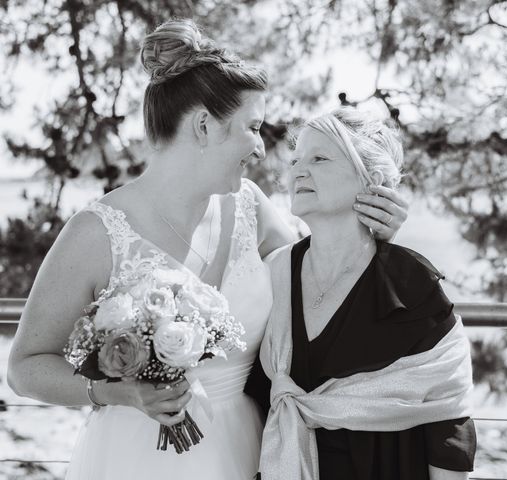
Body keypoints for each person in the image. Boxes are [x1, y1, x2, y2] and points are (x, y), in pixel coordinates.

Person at [7, 19, 408, 479]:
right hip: (134, 459)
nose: (260, 148)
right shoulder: (96, 232)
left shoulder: (250, 207)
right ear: (203, 125)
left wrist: (375, 231)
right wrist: (121, 392)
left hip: (246, 449)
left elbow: (324, 285)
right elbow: (25, 367)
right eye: (252, 127)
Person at [244, 108, 476, 480]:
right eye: (296, 160)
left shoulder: (408, 284)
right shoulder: (275, 273)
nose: (299, 171)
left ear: (372, 178)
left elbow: (447, 416)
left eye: (319, 159)